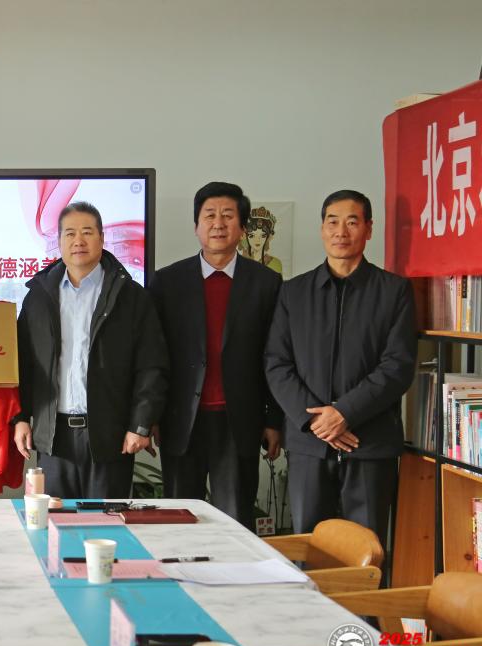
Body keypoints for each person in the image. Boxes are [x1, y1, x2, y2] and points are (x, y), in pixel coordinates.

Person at [264, 190, 416, 541]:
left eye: (352, 222)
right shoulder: (293, 292)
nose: (341, 231)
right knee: (309, 545)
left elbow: (397, 365)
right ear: (322, 229)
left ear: (368, 229)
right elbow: (276, 363)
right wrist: (317, 421)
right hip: (309, 443)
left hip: (369, 441)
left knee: (368, 548)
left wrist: (345, 413)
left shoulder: (394, 291)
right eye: (332, 222)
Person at [13, 201, 169, 498]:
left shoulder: (130, 296)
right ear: (59, 241)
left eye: (87, 232)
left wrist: (140, 424)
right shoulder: (39, 297)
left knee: (106, 519)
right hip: (54, 437)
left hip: (111, 436)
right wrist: (20, 417)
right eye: (70, 233)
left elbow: (151, 366)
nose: (78, 241)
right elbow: (23, 362)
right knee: (55, 520)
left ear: (102, 238)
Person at [149, 182, 282, 529]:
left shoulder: (266, 283)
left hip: (239, 421)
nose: (218, 224)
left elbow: (276, 356)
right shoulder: (167, 282)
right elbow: (154, 356)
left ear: (242, 226)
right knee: (179, 519)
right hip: (181, 420)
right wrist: (150, 416)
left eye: (228, 216)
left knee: (236, 520)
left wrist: (274, 420)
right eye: (209, 215)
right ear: (196, 225)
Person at [240, 206, 284, 275]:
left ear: (269, 237)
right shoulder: (237, 263)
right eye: (252, 235)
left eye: (262, 236)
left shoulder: (275, 263)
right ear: (245, 236)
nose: (257, 240)